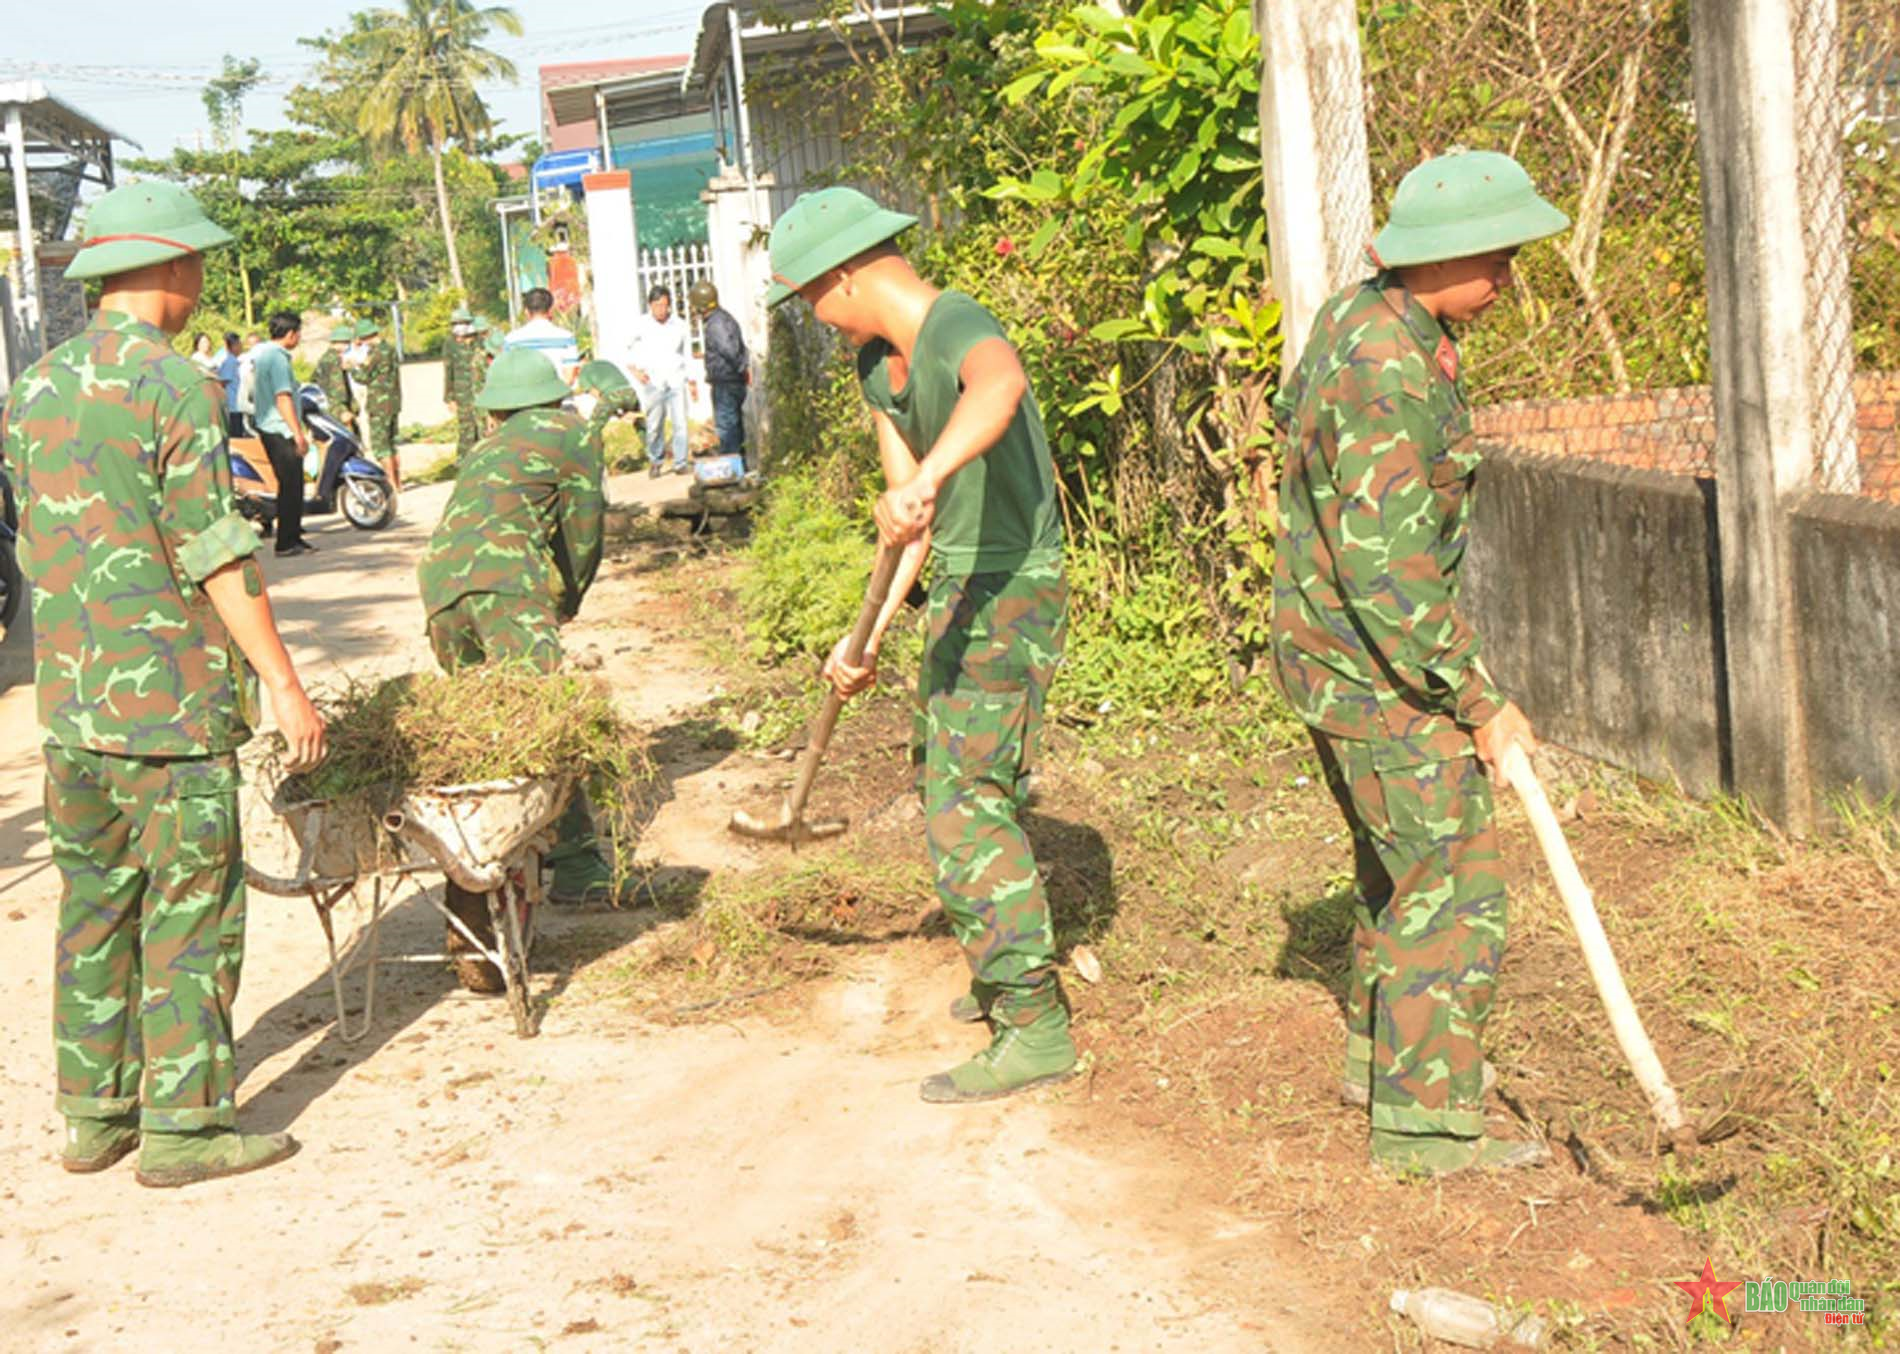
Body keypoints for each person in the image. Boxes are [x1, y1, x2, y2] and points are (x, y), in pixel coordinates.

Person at [0, 179, 326, 1188]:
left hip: (74, 715)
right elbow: (215, 548)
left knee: (95, 905)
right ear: (172, 270)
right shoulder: (173, 384)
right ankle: (184, 1127)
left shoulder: (33, 386)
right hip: (170, 715)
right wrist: (282, 680)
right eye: (195, 263)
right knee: (191, 909)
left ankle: (95, 1113)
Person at [1269, 149, 1568, 1177]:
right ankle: (1427, 1129)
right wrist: (1479, 700)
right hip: (1369, 663)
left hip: (1335, 654)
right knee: (1452, 878)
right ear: (1441, 256)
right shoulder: (1381, 368)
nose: (1508, 282)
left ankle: (1379, 1060)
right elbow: (1387, 568)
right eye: (1498, 259)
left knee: (1395, 867)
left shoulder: (1376, 320)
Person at [770, 187, 1073, 1104]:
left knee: (966, 802)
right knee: (944, 774)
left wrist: (934, 471)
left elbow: (1001, 383)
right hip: (955, 585)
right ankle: (1000, 966)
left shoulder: (955, 325)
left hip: (1013, 584)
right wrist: (857, 639)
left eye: (810, 298)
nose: (814, 320)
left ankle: (1034, 1024)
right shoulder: (878, 371)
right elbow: (906, 521)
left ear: (848, 274)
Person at [415, 349, 614, 902]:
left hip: (439, 589)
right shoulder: (569, 431)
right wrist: (568, 595)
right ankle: (577, 864)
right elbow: (584, 529)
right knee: (546, 718)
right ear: (552, 397)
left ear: (497, 408)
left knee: (485, 727)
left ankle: (484, 844)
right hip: (506, 587)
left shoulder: (486, 447)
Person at [251, 310, 313, 557]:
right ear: (290, 334)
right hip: (279, 428)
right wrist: (297, 433)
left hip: (271, 426)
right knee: (291, 485)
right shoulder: (276, 358)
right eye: (298, 333)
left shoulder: (264, 354)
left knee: (292, 483)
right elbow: (283, 397)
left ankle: (293, 536)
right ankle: (287, 542)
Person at [624, 284, 691, 479]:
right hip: (653, 381)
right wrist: (636, 371)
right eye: (657, 305)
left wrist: (692, 380)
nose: (661, 310)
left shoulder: (679, 325)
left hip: (676, 379)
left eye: (665, 305)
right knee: (654, 425)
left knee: (680, 423)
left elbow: (686, 353)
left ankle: (680, 462)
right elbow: (625, 348)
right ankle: (655, 459)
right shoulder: (641, 325)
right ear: (650, 305)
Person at [691, 279, 750, 470]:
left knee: (727, 431)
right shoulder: (724, 319)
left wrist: (741, 368)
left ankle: (732, 473)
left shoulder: (716, 324)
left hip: (726, 384)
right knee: (734, 429)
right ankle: (740, 469)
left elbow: (730, 350)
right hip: (731, 381)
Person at [356, 317, 403, 494]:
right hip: (393, 402)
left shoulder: (375, 353)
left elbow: (364, 377)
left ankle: (391, 483)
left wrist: (352, 367)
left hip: (379, 404)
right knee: (392, 443)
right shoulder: (389, 349)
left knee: (381, 446)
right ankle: (399, 482)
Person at [503, 286, 580, 387]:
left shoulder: (511, 341)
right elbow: (569, 376)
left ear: (526, 312)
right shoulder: (566, 338)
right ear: (550, 310)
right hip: (558, 398)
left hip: (526, 400)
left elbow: (508, 375)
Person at [576, 359, 643, 468]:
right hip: (630, 392)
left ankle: (592, 461)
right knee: (640, 423)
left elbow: (596, 394)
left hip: (611, 396)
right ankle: (654, 454)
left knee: (593, 428)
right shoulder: (606, 363)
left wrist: (615, 412)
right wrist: (619, 413)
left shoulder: (584, 371)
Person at [443, 307, 480, 459]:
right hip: (462, 393)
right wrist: (449, 398)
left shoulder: (479, 341)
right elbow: (448, 370)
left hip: (480, 391)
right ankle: (463, 462)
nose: (459, 326)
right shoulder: (450, 344)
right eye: (456, 323)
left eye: (463, 323)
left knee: (482, 428)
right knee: (466, 429)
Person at [312, 320, 356, 433]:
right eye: (347, 343)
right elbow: (338, 389)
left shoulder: (325, 358)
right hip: (336, 406)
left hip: (325, 403)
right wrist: (343, 409)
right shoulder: (335, 359)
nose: (348, 346)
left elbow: (314, 379)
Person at [216, 332, 244, 437]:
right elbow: (222, 382)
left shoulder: (234, 361)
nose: (240, 347)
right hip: (232, 406)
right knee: (235, 437)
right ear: (231, 346)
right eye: (238, 344)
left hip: (237, 405)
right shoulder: (229, 362)